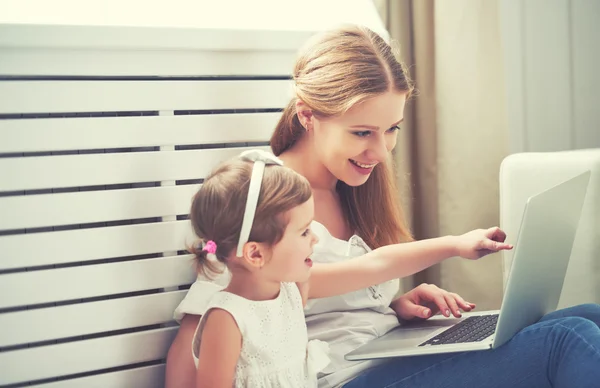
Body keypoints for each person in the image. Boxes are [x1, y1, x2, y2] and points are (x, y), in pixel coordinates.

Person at [167, 24, 600, 388]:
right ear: (307, 115)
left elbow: (327, 292)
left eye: (391, 129)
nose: (381, 150)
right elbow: (204, 332)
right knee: (567, 338)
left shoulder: (352, 188)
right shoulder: (264, 199)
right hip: (343, 377)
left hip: (383, 353)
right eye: (362, 133)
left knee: (589, 315)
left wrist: (387, 305)